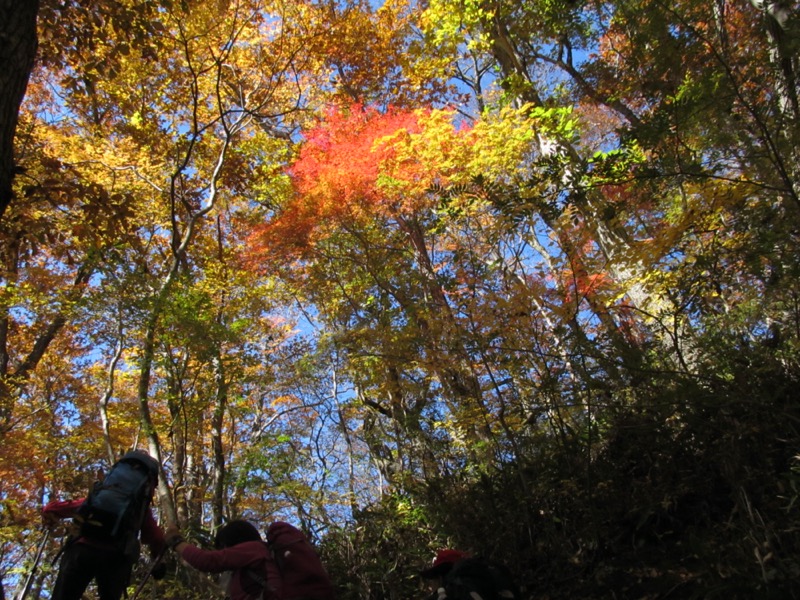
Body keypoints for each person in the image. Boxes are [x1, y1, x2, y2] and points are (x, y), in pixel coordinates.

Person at [42, 450, 167, 600]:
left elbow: (52, 509)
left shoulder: (97, 498)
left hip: (81, 550)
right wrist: (158, 565)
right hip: (115, 558)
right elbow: (156, 538)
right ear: (148, 485)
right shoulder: (139, 511)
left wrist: (50, 514)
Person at [165, 519, 279, 600]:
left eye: (223, 547)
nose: (224, 551)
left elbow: (207, 561)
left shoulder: (253, 549)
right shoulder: (258, 555)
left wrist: (176, 542)